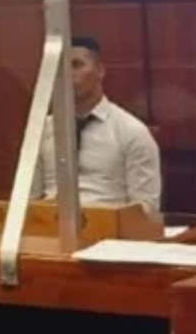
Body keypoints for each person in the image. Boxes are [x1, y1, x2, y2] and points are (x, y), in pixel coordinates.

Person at [33, 36, 161, 214]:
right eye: (61, 68)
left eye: (76, 65)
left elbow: (146, 206)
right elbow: (28, 199)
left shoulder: (131, 131)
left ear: (100, 71)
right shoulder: (42, 130)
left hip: (108, 225)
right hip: (49, 223)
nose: (68, 74)